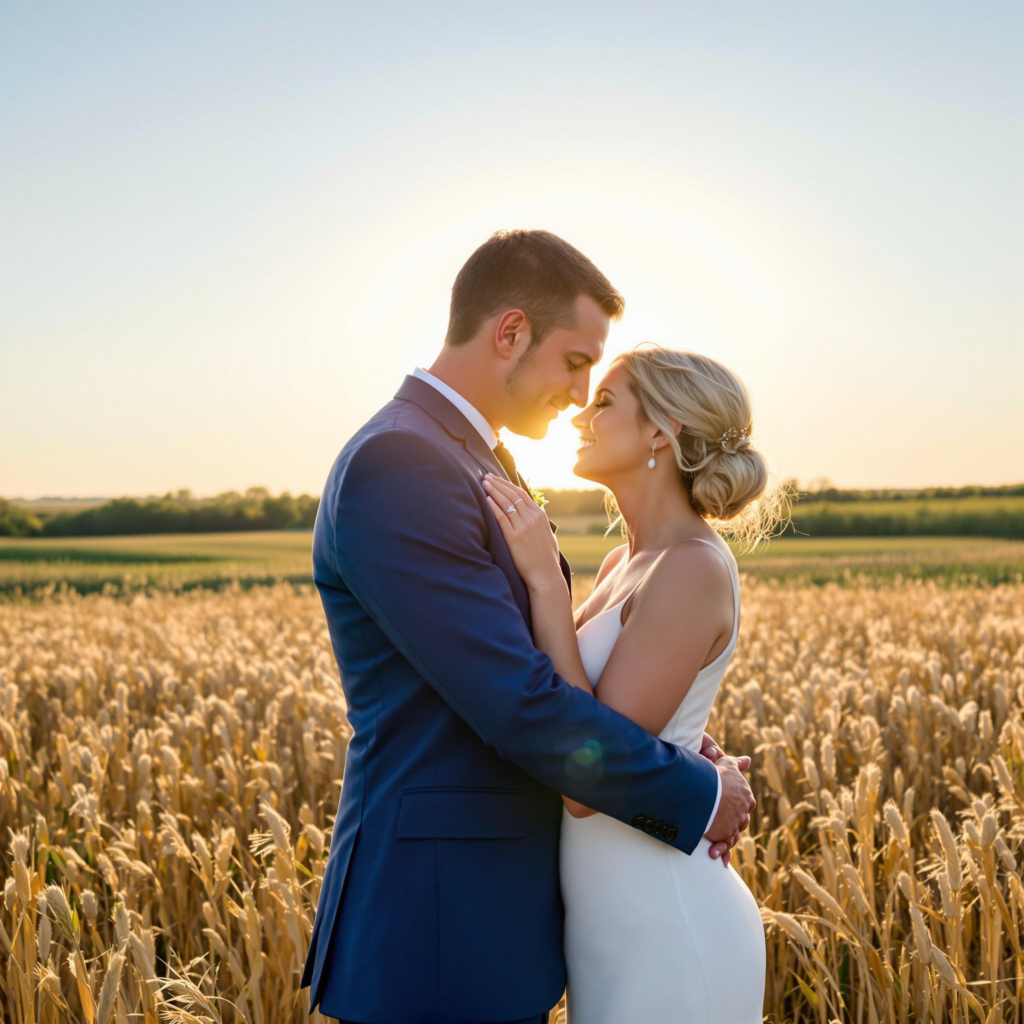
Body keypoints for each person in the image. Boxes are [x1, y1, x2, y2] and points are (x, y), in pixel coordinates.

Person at [300, 229, 756, 1024]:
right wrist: (694, 787)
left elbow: (565, 687)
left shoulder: (466, 457)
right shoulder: (404, 463)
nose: (582, 396)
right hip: (438, 926)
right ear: (511, 332)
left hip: (499, 918)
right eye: (577, 363)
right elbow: (521, 702)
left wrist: (670, 746)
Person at [484, 344, 788, 1022]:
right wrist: (699, 757)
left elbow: (590, 782)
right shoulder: (627, 559)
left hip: (671, 923)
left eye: (605, 402)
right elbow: (615, 709)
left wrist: (542, 580)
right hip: (609, 925)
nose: (580, 416)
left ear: (661, 432)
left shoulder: (691, 567)